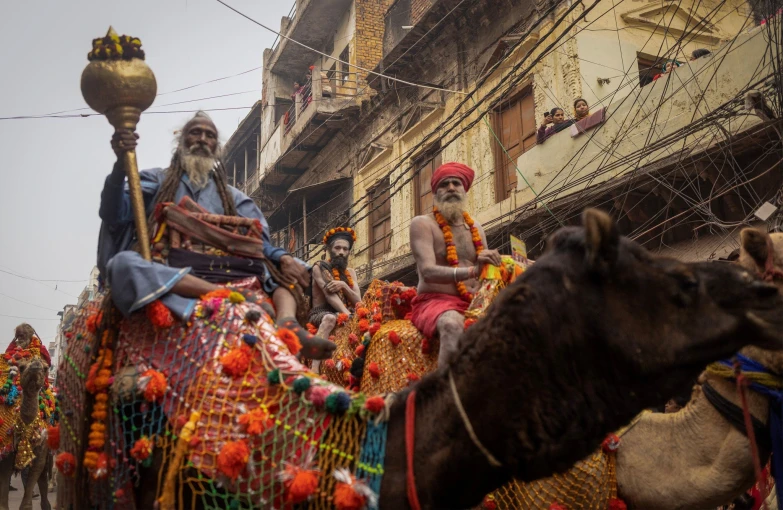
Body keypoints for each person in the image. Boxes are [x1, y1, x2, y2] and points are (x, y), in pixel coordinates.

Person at [98, 111, 335, 359]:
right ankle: (218, 294)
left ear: (216, 147)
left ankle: (288, 323)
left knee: (276, 267)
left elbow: (259, 243)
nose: (202, 139)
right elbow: (113, 214)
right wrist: (119, 167)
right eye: (195, 133)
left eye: (209, 135)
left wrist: (284, 258)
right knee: (123, 264)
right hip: (171, 268)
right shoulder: (156, 179)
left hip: (229, 270)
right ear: (180, 141)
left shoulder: (233, 197)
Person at [409, 162, 501, 366]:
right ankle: (447, 395)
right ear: (435, 193)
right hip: (435, 302)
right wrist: (471, 271)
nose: (451, 188)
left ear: (464, 189)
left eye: (456, 183)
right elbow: (427, 272)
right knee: (452, 325)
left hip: (476, 302)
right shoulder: (423, 224)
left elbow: (486, 269)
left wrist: (505, 264)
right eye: (444, 184)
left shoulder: (476, 226)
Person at [309, 227, 362, 339]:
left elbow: (358, 301)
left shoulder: (351, 273)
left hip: (348, 312)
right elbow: (329, 295)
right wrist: (348, 316)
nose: (341, 252)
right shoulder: (319, 267)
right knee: (330, 318)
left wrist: (344, 286)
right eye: (337, 248)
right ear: (329, 249)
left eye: (345, 249)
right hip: (322, 313)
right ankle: (316, 354)